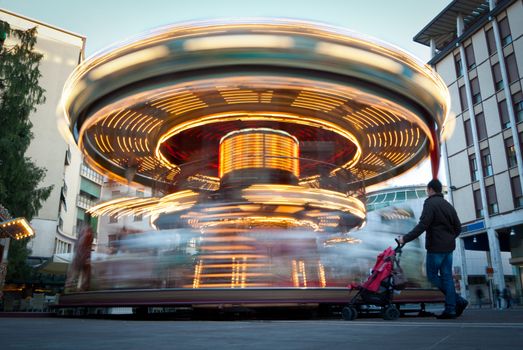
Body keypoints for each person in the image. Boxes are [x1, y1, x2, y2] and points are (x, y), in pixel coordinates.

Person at [398, 179, 468, 319]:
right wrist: (449, 239)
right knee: (447, 277)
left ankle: (457, 302)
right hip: (448, 249)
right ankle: (451, 308)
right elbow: (458, 228)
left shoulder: (430, 203)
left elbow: (423, 225)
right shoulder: (448, 205)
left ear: (430, 189)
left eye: (427, 190)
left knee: (432, 275)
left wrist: (405, 238)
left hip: (435, 247)